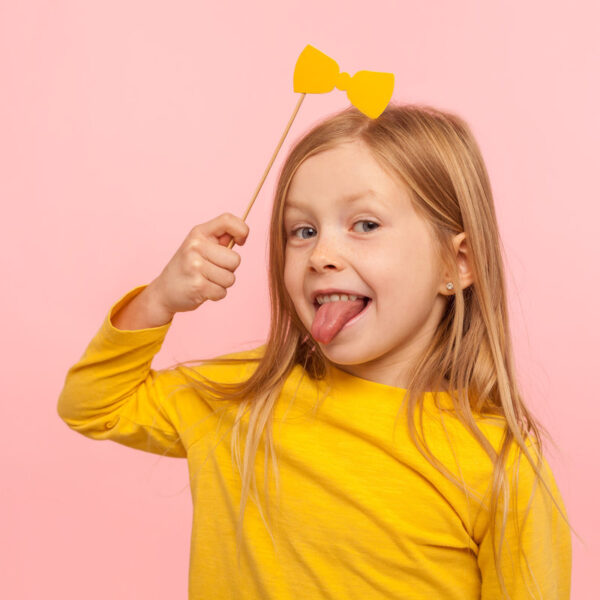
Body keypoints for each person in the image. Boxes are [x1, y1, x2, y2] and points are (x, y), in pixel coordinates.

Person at [57, 103, 575, 599]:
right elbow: (94, 405)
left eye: (365, 225)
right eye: (302, 231)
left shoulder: (497, 463)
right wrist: (159, 299)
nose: (321, 255)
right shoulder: (241, 397)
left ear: (455, 264)